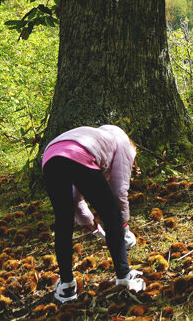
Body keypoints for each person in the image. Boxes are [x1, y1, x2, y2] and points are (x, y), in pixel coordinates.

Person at [42, 124, 145, 303]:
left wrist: (94, 228)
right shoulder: (123, 143)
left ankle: (66, 286)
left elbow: (75, 199)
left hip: (51, 156)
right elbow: (119, 191)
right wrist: (124, 228)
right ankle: (124, 278)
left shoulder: (99, 138)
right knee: (111, 213)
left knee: (63, 220)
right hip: (79, 154)